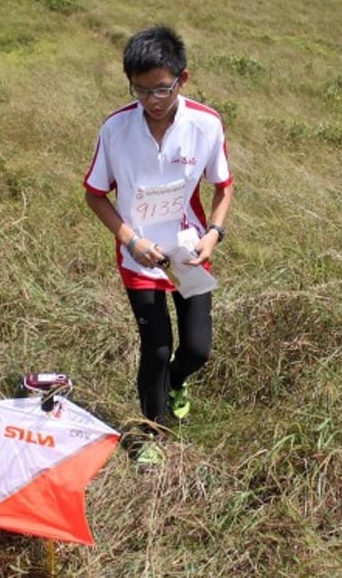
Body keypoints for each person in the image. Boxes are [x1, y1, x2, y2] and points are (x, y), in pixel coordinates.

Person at [83, 25, 234, 464]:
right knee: (157, 347)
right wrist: (131, 241)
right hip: (140, 256)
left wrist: (214, 234)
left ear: (182, 79)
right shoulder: (116, 129)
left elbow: (224, 187)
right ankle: (153, 433)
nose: (152, 100)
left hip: (188, 251)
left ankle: (176, 381)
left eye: (162, 89)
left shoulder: (205, 124)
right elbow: (95, 194)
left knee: (197, 348)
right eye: (141, 90)